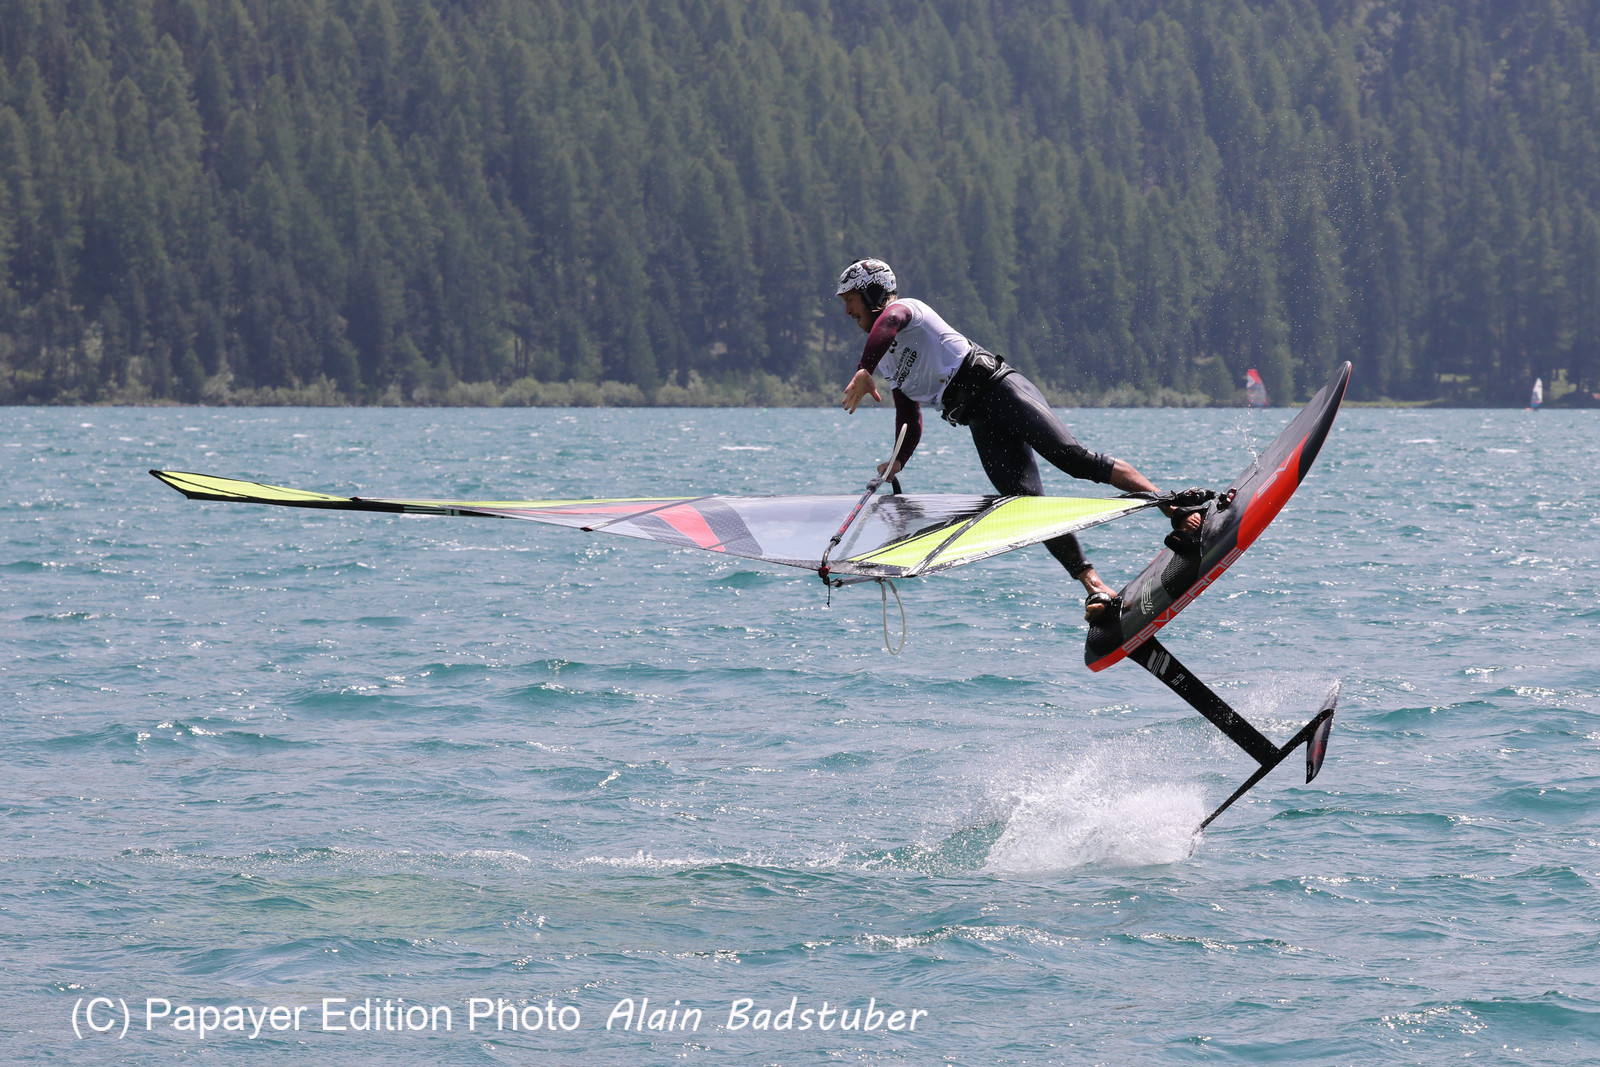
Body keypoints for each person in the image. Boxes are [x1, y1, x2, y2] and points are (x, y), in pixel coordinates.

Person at [834, 258, 1199, 621]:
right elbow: (909, 417)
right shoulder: (886, 361)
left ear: (873, 292)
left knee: (1074, 459)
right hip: (977, 419)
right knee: (1027, 507)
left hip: (1001, 390)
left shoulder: (908, 311)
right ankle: (1096, 587)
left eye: (850, 299)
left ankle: (1175, 508)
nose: (847, 310)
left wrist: (864, 369)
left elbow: (890, 321)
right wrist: (899, 460)